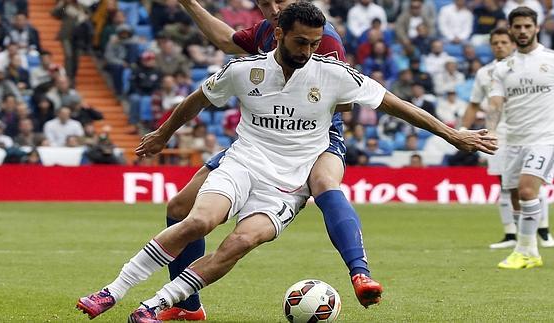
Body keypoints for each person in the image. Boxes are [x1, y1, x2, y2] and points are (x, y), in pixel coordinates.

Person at [76, 3, 497, 322]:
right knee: (195, 222)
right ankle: (112, 291)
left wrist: (452, 133)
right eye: (302, 43)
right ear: (277, 34)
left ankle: (156, 306)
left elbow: (396, 105)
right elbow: (199, 99)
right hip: (243, 162)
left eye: (316, 43)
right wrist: (165, 133)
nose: (310, 50)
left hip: (289, 182)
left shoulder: (332, 72)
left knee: (240, 243)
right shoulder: (244, 70)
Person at [158, 0, 376, 320]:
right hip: (263, 138)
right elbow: (226, 41)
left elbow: (344, 106)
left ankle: (360, 273)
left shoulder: (319, 37)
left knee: (324, 183)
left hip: (318, 136)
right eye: (266, 2)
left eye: (280, 0)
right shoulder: (267, 29)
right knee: (179, 208)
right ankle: (187, 307)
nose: (273, 6)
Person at [486, 7, 554, 269]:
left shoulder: (550, 60)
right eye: (518, 27)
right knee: (516, 195)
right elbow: (495, 104)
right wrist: (491, 131)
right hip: (513, 140)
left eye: (528, 26)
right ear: (511, 29)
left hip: (545, 138)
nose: (523, 31)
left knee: (527, 190)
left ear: (536, 28)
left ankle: (523, 250)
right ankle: (532, 250)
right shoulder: (503, 68)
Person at [462, 27, 521, 249]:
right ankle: (510, 234)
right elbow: (474, 103)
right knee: (504, 184)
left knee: (526, 184)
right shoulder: (484, 73)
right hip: (496, 133)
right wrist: (462, 129)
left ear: (513, 44)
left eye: (504, 42)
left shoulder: (523, 68)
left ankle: (542, 231)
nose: (500, 46)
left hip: (524, 132)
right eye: (495, 42)